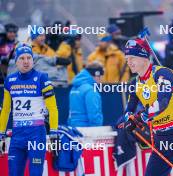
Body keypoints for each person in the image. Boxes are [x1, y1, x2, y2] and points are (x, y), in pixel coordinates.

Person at [123, 38, 173, 176]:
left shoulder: (162, 73)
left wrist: (141, 117)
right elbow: (128, 110)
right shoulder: (134, 84)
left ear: (144, 57)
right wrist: (129, 119)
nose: (128, 62)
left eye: (132, 57)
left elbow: (162, 102)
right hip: (162, 139)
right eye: (127, 58)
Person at [0, 43, 59, 176]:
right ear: (16, 61)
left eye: (29, 58)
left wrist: (54, 133)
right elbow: (5, 110)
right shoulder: (10, 80)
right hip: (17, 135)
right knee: (14, 173)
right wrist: (1, 134)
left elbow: (53, 108)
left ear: (33, 60)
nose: (26, 61)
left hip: (36, 134)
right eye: (22, 58)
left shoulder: (42, 78)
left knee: (35, 173)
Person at [67, 62, 104, 127]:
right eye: (101, 76)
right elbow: (94, 115)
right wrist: (97, 129)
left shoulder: (74, 88)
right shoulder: (90, 91)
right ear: (96, 75)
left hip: (73, 128)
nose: (101, 79)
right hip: (87, 131)